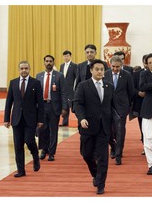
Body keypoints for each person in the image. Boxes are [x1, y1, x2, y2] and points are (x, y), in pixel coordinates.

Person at [73, 59, 114, 195]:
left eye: (102, 69)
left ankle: (101, 184)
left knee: (103, 157)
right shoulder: (83, 86)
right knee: (86, 154)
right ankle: (96, 174)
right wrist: (81, 118)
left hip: (104, 127)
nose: (100, 71)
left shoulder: (109, 86)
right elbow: (78, 104)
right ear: (91, 70)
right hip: (88, 126)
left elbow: (111, 105)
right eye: (97, 69)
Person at [4, 61, 44, 177]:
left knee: (29, 140)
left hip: (31, 118)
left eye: (26, 68)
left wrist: (40, 119)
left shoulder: (35, 83)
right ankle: (21, 170)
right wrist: (6, 119)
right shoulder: (13, 83)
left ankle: (35, 156)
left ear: (29, 69)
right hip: (16, 119)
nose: (24, 70)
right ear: (19, 70)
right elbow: (9, 102)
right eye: (22, 68)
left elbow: (40, 103)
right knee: (18, 145)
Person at [36, 55, 67, 161]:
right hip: (42, 106)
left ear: (53, 63)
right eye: (47, 61)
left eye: (50, 61)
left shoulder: (59, 76)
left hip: (54, 107)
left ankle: (52, 152)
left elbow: (63, 92)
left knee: (53, 130)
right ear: (44, 63)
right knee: (42, 130)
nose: (48, 63)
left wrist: (64, 108)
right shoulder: (38, 76)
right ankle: (44, 149)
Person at [104, 55, 134, 165]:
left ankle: (118, 154)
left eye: (118, 67)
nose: (115, 69)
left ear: (122, 65)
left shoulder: (127, 75)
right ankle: (113, 146)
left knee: (120, 130)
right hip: (108, 106)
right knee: (108, 130)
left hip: (122, 107)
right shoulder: (105, 74)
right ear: (109, 65)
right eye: (113, 66)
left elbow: (131, 91)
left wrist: (127, 105)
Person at [132, 54, 148, 155]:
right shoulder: (137, 74)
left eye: (150, 62)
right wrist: (139, 93)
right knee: (143, 126)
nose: (147, 64)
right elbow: (132, 87)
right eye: (146, 62)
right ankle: (145, 146)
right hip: (141, 104)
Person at [59, 50, 77, 126]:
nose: (66, 57)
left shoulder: (74, 65)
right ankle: (65, 122)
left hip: (71, 89)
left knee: (72, 106)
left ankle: (78, 120)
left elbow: (76, 77)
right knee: (64, 106)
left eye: (67, 56)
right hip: (63, 89)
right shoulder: (62, 66)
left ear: (70, 56)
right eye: (64, 56)